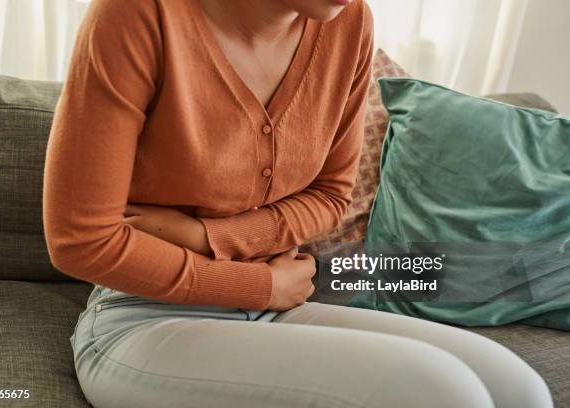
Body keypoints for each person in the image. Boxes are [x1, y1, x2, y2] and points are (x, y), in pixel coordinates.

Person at [42, 0, 553, 407]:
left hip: (275, 306)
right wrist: (258, 283)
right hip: (146, 319)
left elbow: (332, 193)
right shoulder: (139, 14)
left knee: (518, 389)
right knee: (447, 393)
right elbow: (80, 242)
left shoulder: (349, 24)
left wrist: (209, 238)